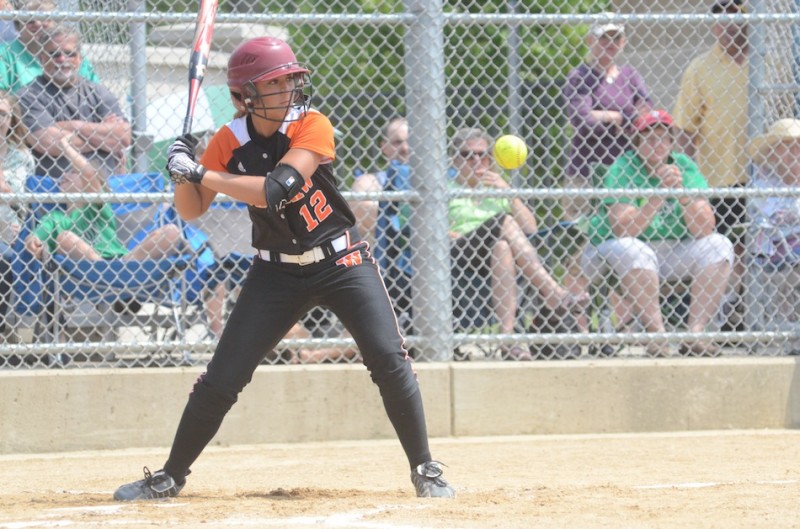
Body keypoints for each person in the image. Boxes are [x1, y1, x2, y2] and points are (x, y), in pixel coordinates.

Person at [112, 36, 454, 500]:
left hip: (342, 261)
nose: (291, 88)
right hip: (274, 272)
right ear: (244, 97)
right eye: (276, 83)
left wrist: (199, 172)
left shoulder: (312, 125)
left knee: (389, 360)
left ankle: (426, 469)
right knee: (222, 377)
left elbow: (275, 189)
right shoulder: (228, 141)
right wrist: (180, 170)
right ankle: (171, 475)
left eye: (292, 79)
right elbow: (191, 208)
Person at [581, 110, 734, 357]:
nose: (657, 144)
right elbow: (624, 230)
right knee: (634, 248)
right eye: (649, 138)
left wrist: (682, 193)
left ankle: (695, 335)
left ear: (671, 143)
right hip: (618, 254)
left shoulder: (683, 165)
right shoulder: (623, 167)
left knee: (720, 245)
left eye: (663, 138)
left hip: (672, 251)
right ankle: (657, 336)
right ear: (637, 142)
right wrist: (658, 196)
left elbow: (704, 228)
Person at [448, 127, 588, 360]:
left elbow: (531, 229)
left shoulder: (496, 188)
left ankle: (508, 338)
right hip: (460, 252)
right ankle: (555, 292)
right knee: (505, 220)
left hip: (493, 257)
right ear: (454, 159)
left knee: (502, 246)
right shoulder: (447, 189)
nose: (476, 160)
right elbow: (434, 232)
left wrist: (509, 193)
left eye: (483, 154)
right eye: (467, 154)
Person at [560, 13, 652, 339]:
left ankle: (619, 326)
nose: (610, 44)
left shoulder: (629, 75)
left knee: (624, 243)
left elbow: (646, 114)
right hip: (585, 172)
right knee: (579, 244)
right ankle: (578, 325)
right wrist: (620, 116)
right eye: (603, 38)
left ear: (623, 42)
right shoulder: (580, 76)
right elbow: (582, 119)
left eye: (616, 38)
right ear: (591, 41)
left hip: (623, 174)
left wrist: (619, 117)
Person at [672, 0, 749, 331]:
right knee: (724, 248)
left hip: (762, 174)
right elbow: (686, 130)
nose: (730, 24)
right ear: (714, 25)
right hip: (717, 176)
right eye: (722, 18)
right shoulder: (700, 68)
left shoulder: (764, 62)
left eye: (737, 16)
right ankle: (723, 314)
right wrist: (692, 177)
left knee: (756, 245)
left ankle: (747, 310)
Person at [17, 24, 129, 181]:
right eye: (54, 54)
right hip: (56, 191)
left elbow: (123, 137)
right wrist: (105, 137)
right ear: (42, 59)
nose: (62, 59)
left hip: (107, 187)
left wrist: (73, 126)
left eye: (69, 53)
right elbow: (48, 142)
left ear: (79, 59)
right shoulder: (28, 95)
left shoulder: (98, 92)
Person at [349, 116, 414, 333]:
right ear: (384, 147)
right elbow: (363, 207)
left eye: (410, 141)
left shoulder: (447, 181)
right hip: (388, 272)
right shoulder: (373, 181)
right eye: (397, 142)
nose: (405, 148)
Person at [747, 118, 800, 333]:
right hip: (776, 249)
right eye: (785, 146)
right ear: (772, 154)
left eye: (797, 146)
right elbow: (772, 221)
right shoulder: (763, 182)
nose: (794, 152)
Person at [0, 0, 99, 93]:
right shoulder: (5, 54)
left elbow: (95, 90)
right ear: (18, 25)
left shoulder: (71, 53)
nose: (38, 24)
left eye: (44, 18)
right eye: (29, 20)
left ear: (55, 22)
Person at [0, 89, 33, 334]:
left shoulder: (22, 157)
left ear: (11, 119)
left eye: (2, 114)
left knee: (7, 258)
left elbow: (25, 203)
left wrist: (4, 188)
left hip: (10, 229)